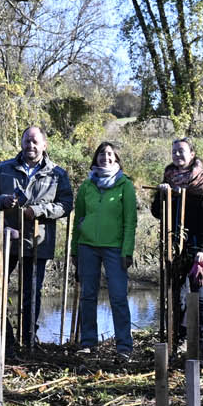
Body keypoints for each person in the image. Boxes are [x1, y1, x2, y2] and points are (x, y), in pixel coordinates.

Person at [0, 126, 74, 348]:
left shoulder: (57, 173)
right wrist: (2, 201)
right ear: (22, 143)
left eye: (35, 142)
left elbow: (66, 205)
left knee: (32, 293)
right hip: (5, 239)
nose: (30, 146)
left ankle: (28, 340)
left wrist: (39, 211)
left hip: (37, 242)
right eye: (27, 141)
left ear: (44, 145)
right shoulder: (4, 168)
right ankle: (2, 339)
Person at [151, 138, 203, 358]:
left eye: (181, 151)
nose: (177, 155)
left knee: (200, 295)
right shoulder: (169, 178)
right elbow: (156, 212)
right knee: (177, 295)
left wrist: (202, 247)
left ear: (192, 154)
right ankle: (179, 340)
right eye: (174, 152)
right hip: (174, 247)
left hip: (198, 247)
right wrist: (162, 194)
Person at [72, 142, 137, 359]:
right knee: (88, 296)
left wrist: (127, 251)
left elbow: (130, 221)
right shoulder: (86, 185)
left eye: (110, 154)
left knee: (118, 297)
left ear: (116, 159)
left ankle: (124, 347)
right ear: (95, 158)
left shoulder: (125, 185)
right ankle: (88, 342)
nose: (105, 157)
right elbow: (78, 218)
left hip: (115, 248)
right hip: (87, 247)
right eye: (101, 154)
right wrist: (74, 249)